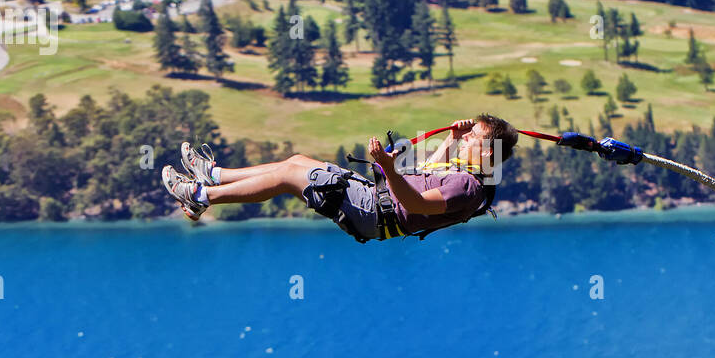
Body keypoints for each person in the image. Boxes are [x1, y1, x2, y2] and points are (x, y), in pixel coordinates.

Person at [162, 114, 519, 242]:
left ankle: (201, 196)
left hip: (375, 214)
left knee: (289, 176)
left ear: (487, 152)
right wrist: (454, 139)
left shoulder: (467, 188)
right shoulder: (467, 176)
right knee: (296, 161)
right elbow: (427, 175)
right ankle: (212, 174)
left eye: (474, 138)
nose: (467, 138)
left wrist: (388, 167)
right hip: (373, 200)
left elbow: (413, 203)